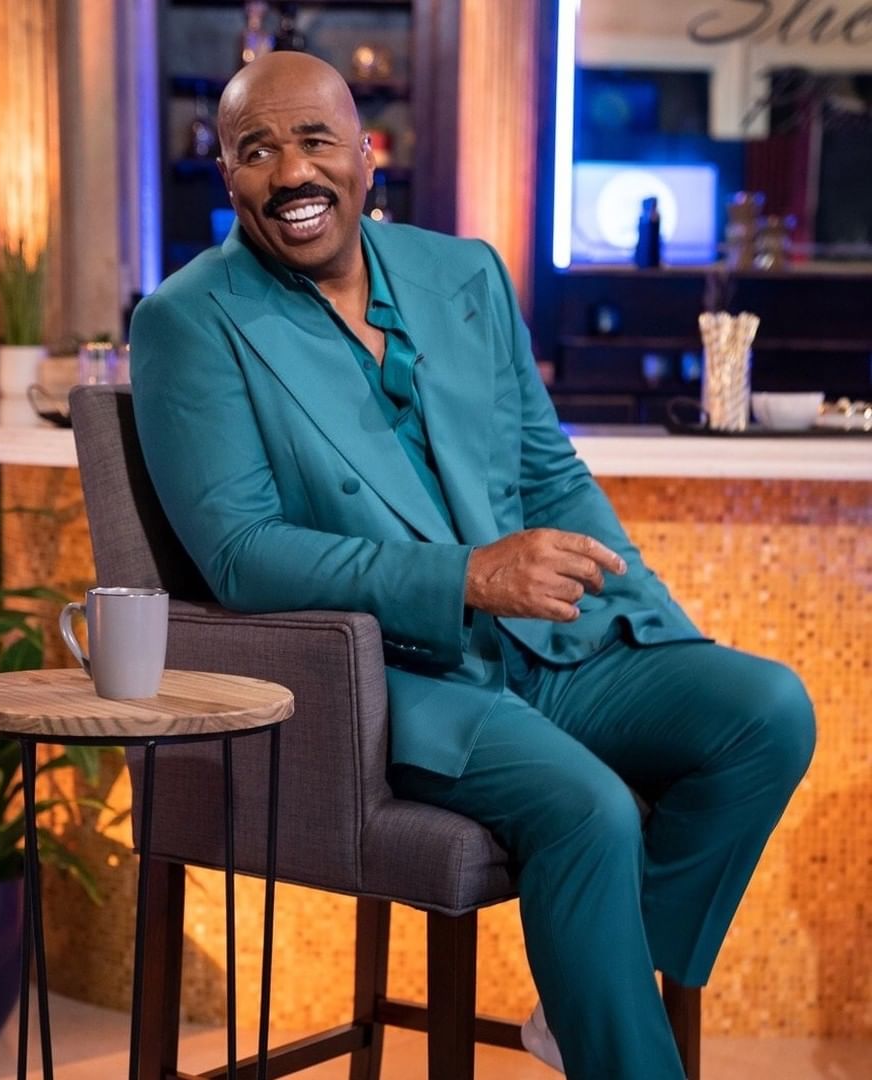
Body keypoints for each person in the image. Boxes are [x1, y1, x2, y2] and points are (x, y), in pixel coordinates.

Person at [129, 51, 815, 1080]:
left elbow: (548, 470)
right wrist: (465, 580)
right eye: (255, 151)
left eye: (315, 141)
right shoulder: (188, 321)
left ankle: (590, 997)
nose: (289, 174)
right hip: (375, 680)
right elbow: (241, 557)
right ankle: (619, 1039)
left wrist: (654, 617)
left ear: (368, 157)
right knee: (591, 808)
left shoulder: (464, 275)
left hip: (538, 650)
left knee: (766, 709)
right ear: (225, 177)